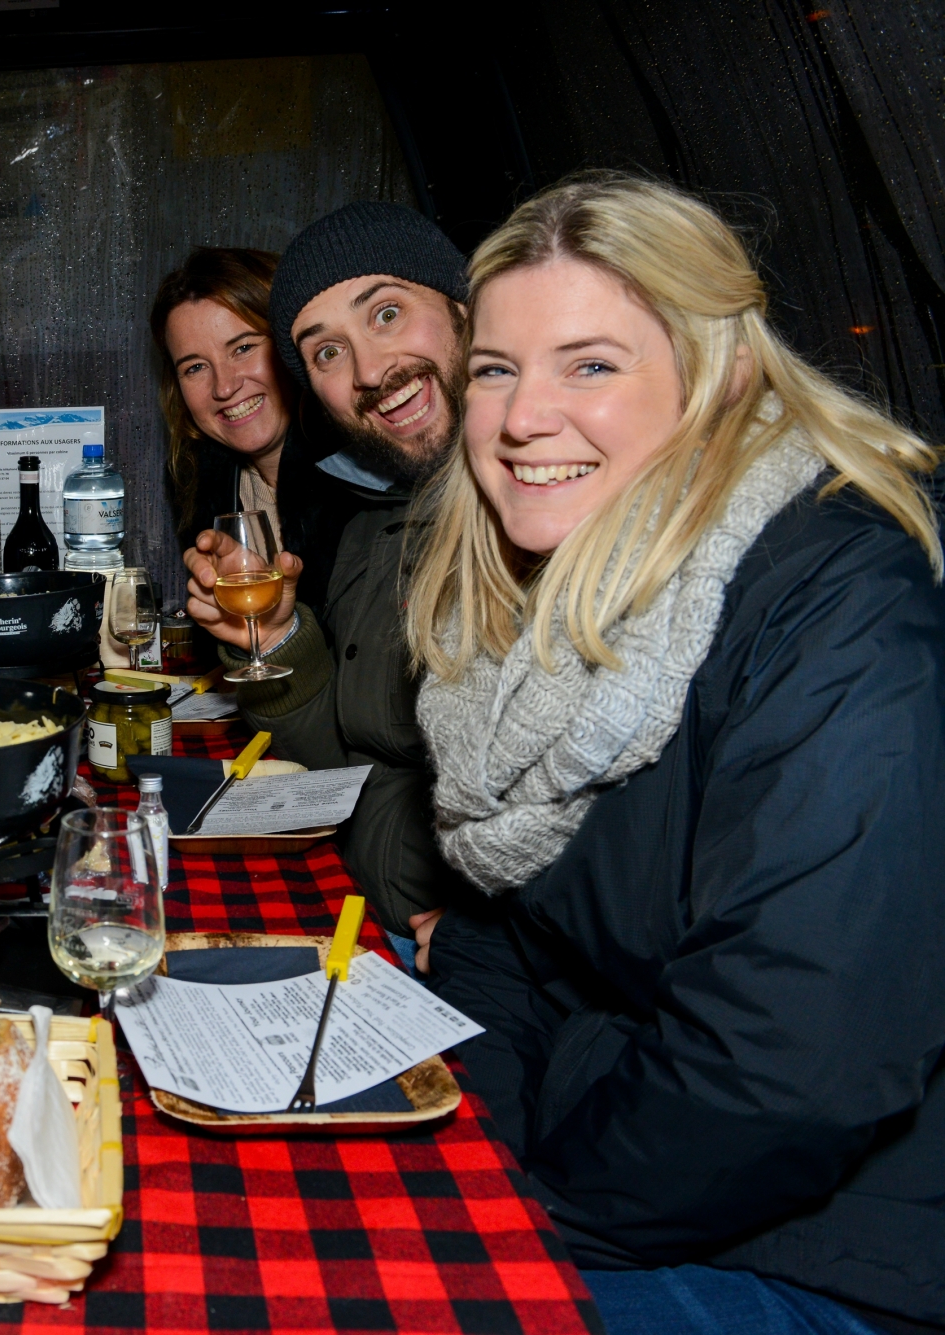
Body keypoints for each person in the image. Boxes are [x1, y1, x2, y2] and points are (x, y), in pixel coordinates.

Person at [409, 174, 944, 1332]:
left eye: (590, 365)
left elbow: (787, 1071)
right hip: (624, 1157)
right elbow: (508, 933)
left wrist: (524, 1221)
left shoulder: (841, 601)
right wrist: (479, 1174)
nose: (518, 418)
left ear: (721, 374)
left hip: (830, 1252)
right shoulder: (546, 602)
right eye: (494, 369)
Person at [181, 203, 474, 945]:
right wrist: (279, 640)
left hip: (447, 943)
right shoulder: (377, 516)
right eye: (327, 352)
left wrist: (493, 935)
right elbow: (339, 762)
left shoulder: (542, 509)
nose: (371, 370)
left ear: (468, 309)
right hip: (372, 909)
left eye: (386, 312)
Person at [151, 246, 358, 622]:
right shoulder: (197, 483)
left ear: (293, 345)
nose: (225, 387)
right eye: (195, 367)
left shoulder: (367, 476)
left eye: (243, 347)